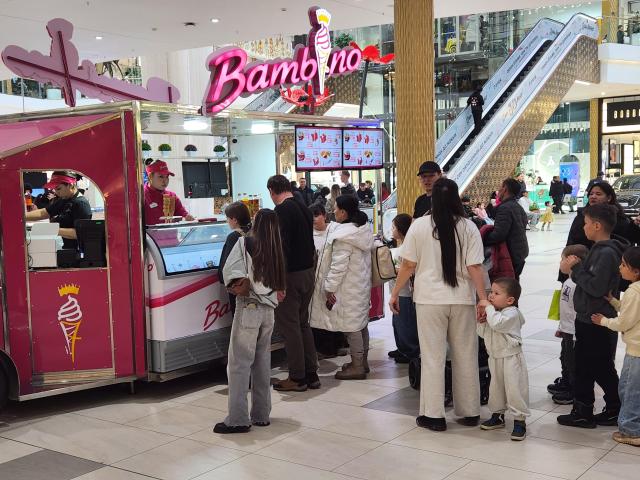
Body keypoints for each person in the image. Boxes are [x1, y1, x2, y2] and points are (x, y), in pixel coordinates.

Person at [390, 178, 487, 432]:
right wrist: (483, 298)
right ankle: (469, 411)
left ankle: (433, 415)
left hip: (429, 300)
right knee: (465, 354)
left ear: (432, 199)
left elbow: (408, 265)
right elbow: (474, 266)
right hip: (462, 299)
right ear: (457, 198)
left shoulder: (419, 226)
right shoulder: (468, 227)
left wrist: (396, 293)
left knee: (433, 356)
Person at [214, 209, 286, 434]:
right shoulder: (277, 248)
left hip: (249, 308)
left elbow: (228, 272)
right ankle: (261, 414)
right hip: (269, 311)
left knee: (239, 364)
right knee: (262, 362)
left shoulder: (245, 243)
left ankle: (237, 418)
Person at [557, 203, 627, 429]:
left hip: (596, 318)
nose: (584, 227)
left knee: (601, 366)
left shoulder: (606, 253)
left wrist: (575, 270)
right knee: (584, 365)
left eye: (586, 223)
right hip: (587, 317)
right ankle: (583, 410)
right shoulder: (600, 249)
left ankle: (615, 407)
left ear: (597, 226)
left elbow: (596, 287)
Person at [311, 195, 373, 379]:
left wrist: (328, 287)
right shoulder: (360, 229)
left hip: (347, 288)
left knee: (351, 326)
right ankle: (362, 362)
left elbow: (338, 266)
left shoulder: (343, 236)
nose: (333, 211)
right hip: (359, 285)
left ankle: (357, 366)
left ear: (344, 212)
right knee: (361, 324)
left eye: (336, 208)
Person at [267, 175, 319, 391]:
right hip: (308, 272)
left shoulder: (281, 211)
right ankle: (311, 373)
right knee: (303, 323)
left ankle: (297, 377)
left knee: (290, 327)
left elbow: (282, 248)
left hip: (291, 275)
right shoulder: (303, 207)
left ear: (271, 190)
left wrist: (279, 282)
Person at [592, 246, 640, 446]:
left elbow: (624, 322)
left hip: (636, 351)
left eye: (623, 265)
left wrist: (603, 321)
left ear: (636, 271)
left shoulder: (633, 291)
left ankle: (631, 431)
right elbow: (632, 311)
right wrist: (613, 301)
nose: (620, 268)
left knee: (630, 390)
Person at [477, 278, 530, 441]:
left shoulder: (512, 313)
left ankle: (519, 420)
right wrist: (481, 322)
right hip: (495, 357)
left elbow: (498, 325)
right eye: (491, 292)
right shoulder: (495, 313)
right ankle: (497, 414)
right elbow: (484, 332)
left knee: (515, 389)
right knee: (496, 388)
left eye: (496, 293)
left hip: (511, 358)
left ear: (510, 300)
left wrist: (489, 308)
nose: (491, 296)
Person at [548, 245, 589, 406]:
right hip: (566, 330)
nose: (560, 262)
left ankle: (573, 390)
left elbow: (577, 311)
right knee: (564, 358)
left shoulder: (577, 284)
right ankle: (565, 382)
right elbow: (566, 310)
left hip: (574, 332)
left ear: (574, 260)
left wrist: (573, 331)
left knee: (573, 362)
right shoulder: (568, 281)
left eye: (563, 259)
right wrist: (561, 327)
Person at [309, 204, 345, 358]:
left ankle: (338, 344)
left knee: (334, 312)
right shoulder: (308, 235)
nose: (314, 220)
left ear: (324, 215)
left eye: (316, 215)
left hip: (335, 279)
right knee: (319, 316)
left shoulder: (336, 231)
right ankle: (323, 348)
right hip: (315, 282)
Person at [25, 171, 92, 249]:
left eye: (59, 189)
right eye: (55, 189)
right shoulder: (64, 199)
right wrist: (21, 217)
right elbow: (44, 212)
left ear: (70, 185)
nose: (56, 192)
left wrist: (52, 229)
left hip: (76, 251)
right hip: (65, 246)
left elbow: (79, 233)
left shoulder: (81, 204)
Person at [388, 214, 420, 364]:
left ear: (401, 230)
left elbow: (409, 269)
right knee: (397, 322)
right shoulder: (400, 247)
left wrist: (394, 269)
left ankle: (410, 350)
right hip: (397, 291)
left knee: (405, 322)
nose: (391, 230)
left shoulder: (408, 248)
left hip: (405, 292)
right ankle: (401, 347)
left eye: (393, 227)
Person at [484, 178, 529, 280]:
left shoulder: (505, 208)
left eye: (500, 186)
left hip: (511, 254)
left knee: (505, 286)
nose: (498, 190)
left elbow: (499, 234)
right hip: (520, 252)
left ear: (505, 189)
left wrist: (482, 239)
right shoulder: (517, 206)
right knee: (513, 284)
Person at [218, 202, 252, 316]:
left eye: (228, 218)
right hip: (254, 282)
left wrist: (224, 280)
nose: (227, 221)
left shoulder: (234, 237)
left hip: (239, 283)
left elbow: (228, 262)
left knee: (239, 315)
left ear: (234, 220)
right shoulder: (254, 232)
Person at [143, 160, 194, 226]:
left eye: (167, 176)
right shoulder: (142, 196)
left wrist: (188, 218)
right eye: (161, 176)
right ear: (150, 176)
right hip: (149, 236)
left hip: (172, 236)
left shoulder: (172, 196)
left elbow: (183, 214)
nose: (165, 181)